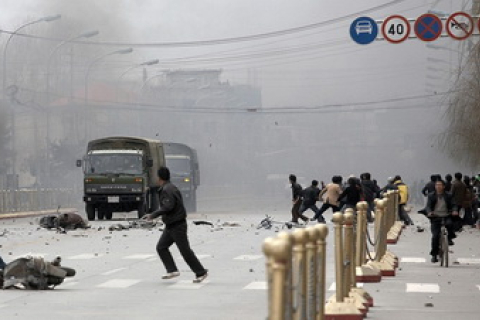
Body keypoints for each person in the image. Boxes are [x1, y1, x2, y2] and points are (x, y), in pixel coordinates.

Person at [143, 166, 208, 283]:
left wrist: (153, 215)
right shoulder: (169, 187)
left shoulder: (167, 189)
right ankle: (172, 270)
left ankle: (201, 272)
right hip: (171, 225)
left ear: (160, 178)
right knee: (161, 247)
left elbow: (168, 206)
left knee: (185, 251)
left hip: (177, 225)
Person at [424, 179, 458, 263]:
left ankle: (449, 238)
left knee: (450, 224)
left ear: (443, 186)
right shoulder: (431, 196)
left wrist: (454, 210)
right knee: (435, 236)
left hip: (446, 216)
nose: (438, 187)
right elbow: (428, 206)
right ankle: (434, 254)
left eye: (440, 185)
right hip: (435, 217)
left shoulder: (449, 195)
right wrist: (429, 212)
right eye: (436, 185)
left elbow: (454, 204)